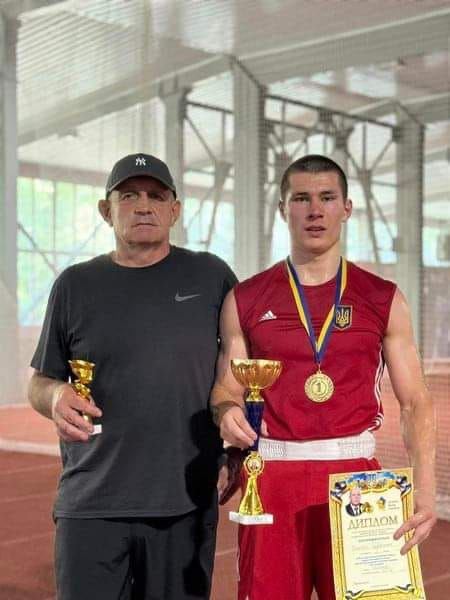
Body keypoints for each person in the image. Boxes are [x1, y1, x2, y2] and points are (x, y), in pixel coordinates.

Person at [210, 154, 436, 600]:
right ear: (283, 209)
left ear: (346, 208)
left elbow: (415, 401)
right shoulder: (246, 298)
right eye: (301, 199)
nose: (315, 210)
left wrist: (425, 491)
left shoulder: (383, 298)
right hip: (272, 478)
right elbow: (225, 388)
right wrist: (227, 411)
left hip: (359, 484)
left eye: (327, 198)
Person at [28, 153, 237, 600]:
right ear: (106, 210)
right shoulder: (74, 284)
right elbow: (40, 381)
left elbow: (239, 366)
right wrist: (56, 396)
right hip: (92, 502)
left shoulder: (212, 275)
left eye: (156, 196)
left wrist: (236, 444)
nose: (144, 206)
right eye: (129, 196)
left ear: (175, 211)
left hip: (183, 502)